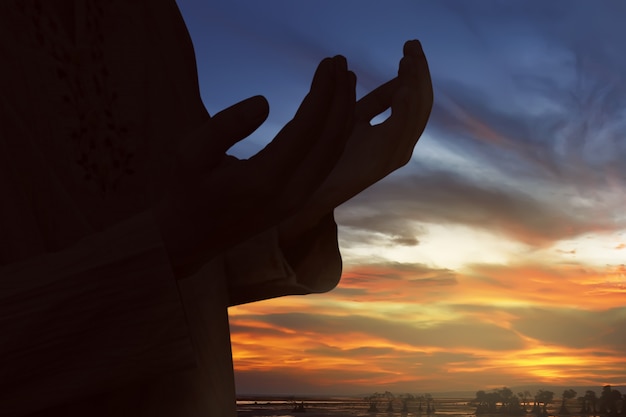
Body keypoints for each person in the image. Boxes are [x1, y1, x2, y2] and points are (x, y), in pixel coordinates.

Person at [0, 0, 432, 416]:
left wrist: (305, 195)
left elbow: (193, 259)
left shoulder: (152, 16)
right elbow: (174, 243)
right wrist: (174, 243)